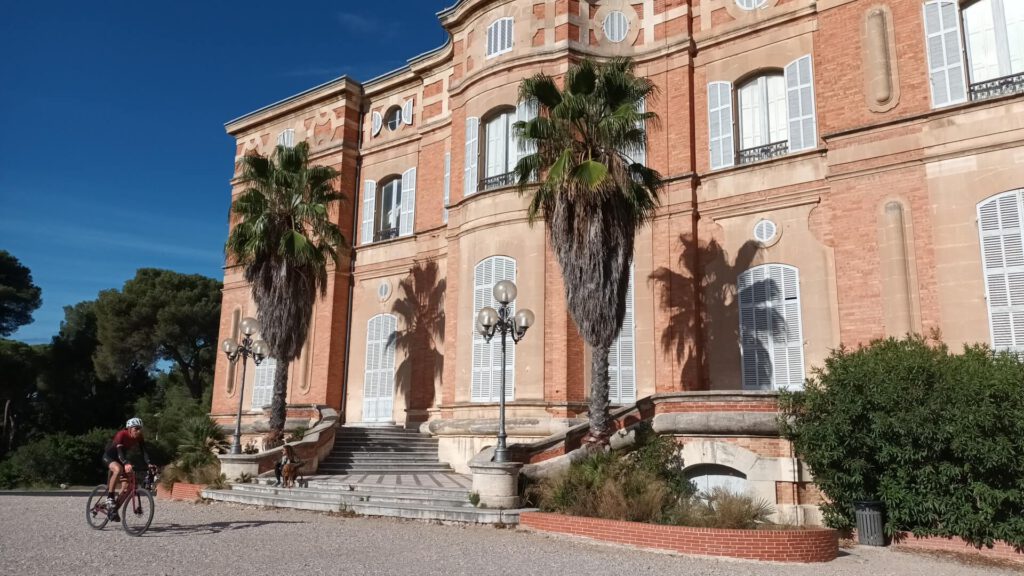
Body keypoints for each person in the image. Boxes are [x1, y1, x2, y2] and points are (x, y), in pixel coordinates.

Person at [102, 417, 155, 521]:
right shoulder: (122, 434)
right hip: (110, 457)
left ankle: (113, 509)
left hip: (122, 459)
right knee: (118, 469)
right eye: (136, 429)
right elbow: (120, 451)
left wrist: (149, 463)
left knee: (127, 486)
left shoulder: (139, 437)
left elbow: (144, 451)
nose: (138, 431)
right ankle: (110, 498)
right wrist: (126, 463)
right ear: (129, 428)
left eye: (140, 429)